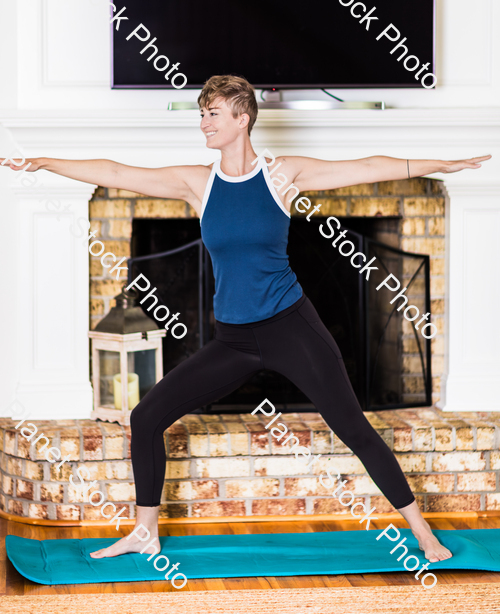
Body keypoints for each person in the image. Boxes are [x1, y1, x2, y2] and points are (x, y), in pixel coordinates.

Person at [1, 75, 490, 565]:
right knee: (145, 417)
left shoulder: (281, 174)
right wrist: (45, 161)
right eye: (202, 113)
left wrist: (438, 164)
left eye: (213, 113)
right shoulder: (198, 182)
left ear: (242, 117)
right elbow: (115, 169)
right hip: (233, 340)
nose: (204, 122)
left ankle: (423, 533)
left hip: (291, 327)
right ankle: (144, 532)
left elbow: (365, 167)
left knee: (354, 428)